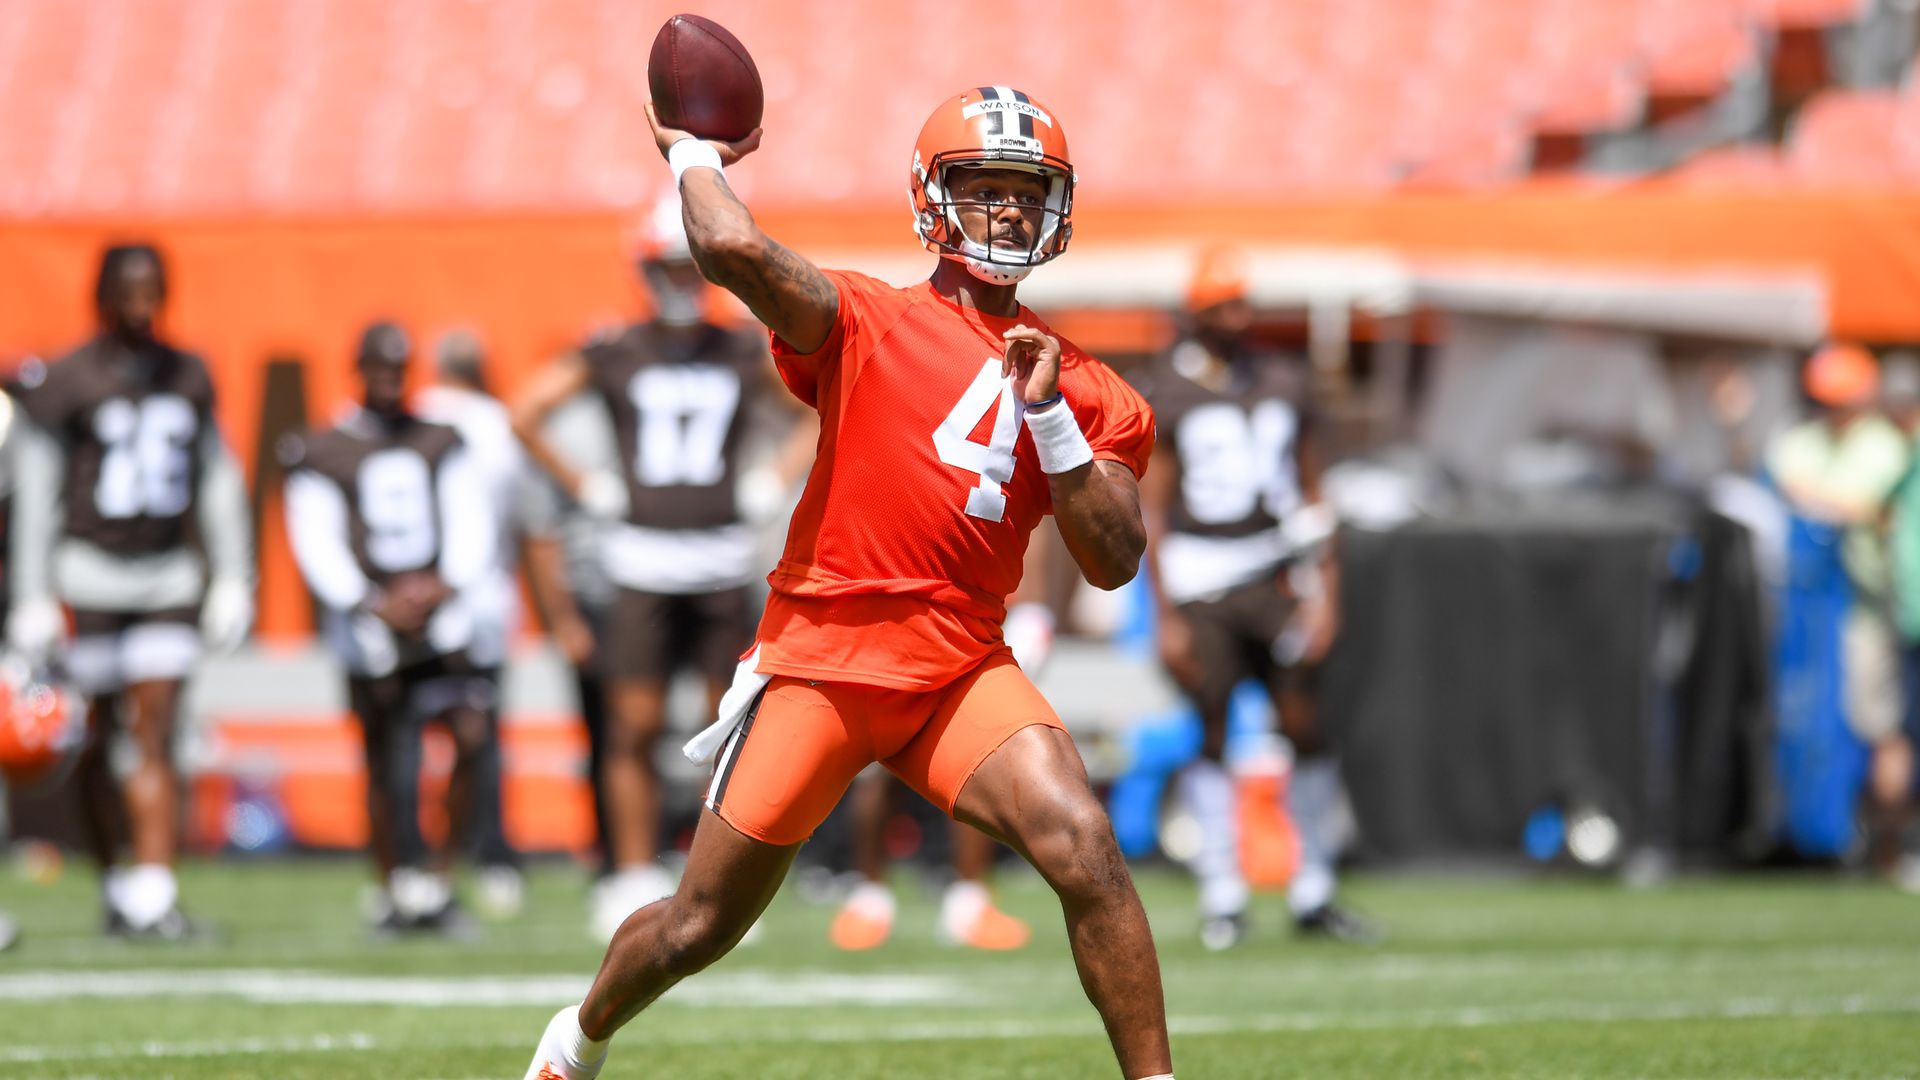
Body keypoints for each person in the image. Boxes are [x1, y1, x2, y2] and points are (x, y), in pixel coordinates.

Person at [525, 88, 1172, 1080]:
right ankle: (577, 1038)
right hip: (821, 665)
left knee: (1084, 842)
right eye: (984, 189)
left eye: (1023, 191)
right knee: (697, 925)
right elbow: (734, 253)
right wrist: (696, 155)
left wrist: (1051, 422)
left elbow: (1116, 557)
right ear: (933, 199)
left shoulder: (1086, 385)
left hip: (956, 669)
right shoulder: (869, 319)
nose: (1006, 211)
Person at [511, 195, 811, 940]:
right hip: (640, 558)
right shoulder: (616, 349)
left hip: (719, 557)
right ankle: (634, 871)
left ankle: (717, 878)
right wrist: (584, 483)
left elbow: (820, 409)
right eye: (668, 264)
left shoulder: (742, 348)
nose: (680, 279)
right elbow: (524, 409)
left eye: (689, 264)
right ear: (644, 267)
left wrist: (773, 476)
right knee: (633, 724)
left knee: (727, 726)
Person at [6, 243, 254, 939]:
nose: (143, 306)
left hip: (168, 570)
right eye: (130, 291)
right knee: (94, 742)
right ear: (104, 295)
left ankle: (154, 889)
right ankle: (117, 879)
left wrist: (233, 575)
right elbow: (39, 490)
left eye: (154, 291)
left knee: (158, 727)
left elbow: (216, 478)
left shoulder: (187, 373)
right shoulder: (70, 378)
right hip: (87, 569)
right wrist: (32, 591)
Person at [1136, 246, 1375, 949]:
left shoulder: (1282, 380)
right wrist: (1164, 614)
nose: (1236, 316)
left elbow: (1312, 490)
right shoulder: (1168, 391)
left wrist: (1325, 592)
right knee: (1211, 729)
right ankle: (1223, 892)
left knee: (1304, 720)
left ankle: (1315, 887)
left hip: (1275, 569)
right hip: (1202, 574)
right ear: (1196, 313)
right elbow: (1155, 508)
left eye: (1243, 302)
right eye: (1222, 305)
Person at [282, 322, 497, 934]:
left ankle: (439, 879)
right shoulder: (322, 448)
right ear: (357, 367)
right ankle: (393, 883)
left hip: (440, 621)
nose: (388, 380)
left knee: (469, 733)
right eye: (378, 366)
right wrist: (368, 600)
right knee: (385, 760)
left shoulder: (440, 438)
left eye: (398, 368)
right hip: (369, 630)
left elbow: (469, 519)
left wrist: (444, 583)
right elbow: (315, 541)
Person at [828, 547, 1054, 952]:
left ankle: (969, 901)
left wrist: (1037, 608)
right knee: (881, 752)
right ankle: (868, 897)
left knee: (979, 755)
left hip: (993, 611)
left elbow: (1039, 516)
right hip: (910, 603)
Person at [1772, 343, 1911, 879]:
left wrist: (1821, 499)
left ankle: (1886, 843)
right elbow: (1789, 481)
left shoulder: (1883, 447)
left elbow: (1862, 504)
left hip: (1871, 607)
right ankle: (1827, 833)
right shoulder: (1802, 440)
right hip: (1810, 613)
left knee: (1878, 723)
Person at [413, 328, 526, 917]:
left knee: (411, 734)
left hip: (416, 604)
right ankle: (489, 856)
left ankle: (416, 863)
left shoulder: (416, 415)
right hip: (480, 601)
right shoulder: (494, 423)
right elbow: (511, 516)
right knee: (479, 737)